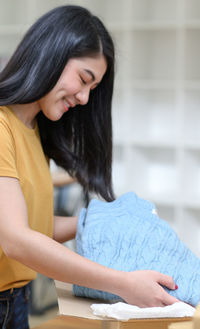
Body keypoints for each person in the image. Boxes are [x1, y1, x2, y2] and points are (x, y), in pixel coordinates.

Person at [0, 5, 179, 329]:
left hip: (17, 300)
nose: (84, 98)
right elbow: (15, 240)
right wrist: (122, 282)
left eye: (92, 90)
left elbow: (29, 224)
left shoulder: (33, 129)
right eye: (84, 79)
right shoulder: (1, 127)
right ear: (51, 53)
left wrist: (99, 220)